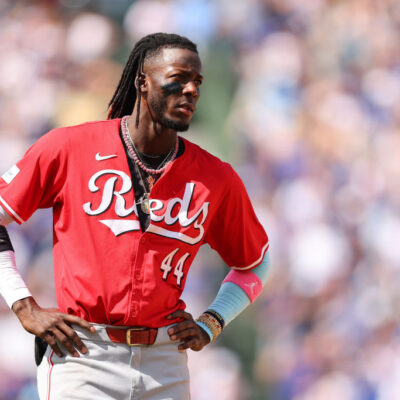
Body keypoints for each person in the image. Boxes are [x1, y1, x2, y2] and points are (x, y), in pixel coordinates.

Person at [0, 33, 270, 400]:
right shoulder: (69, 147)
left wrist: (213, 321)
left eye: (198, 82)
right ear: (143, 80)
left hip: (165, 361)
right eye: (178, 78)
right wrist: (23, 305)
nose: (191, 89)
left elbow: (254, 262)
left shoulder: (216, 177)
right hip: (83, 354)